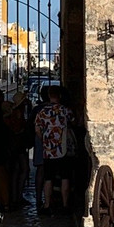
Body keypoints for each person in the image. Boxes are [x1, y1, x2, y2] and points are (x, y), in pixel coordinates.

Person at [34, 85, 75, 214]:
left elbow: (37, 129)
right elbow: (74, 121)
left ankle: (47, 205)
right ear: (60, 96)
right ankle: (65, 204)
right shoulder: (65, 111)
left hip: (48, 150)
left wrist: (44, 140)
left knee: (48, 178)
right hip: (63, 149)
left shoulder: (42, 112)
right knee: (65, 177)